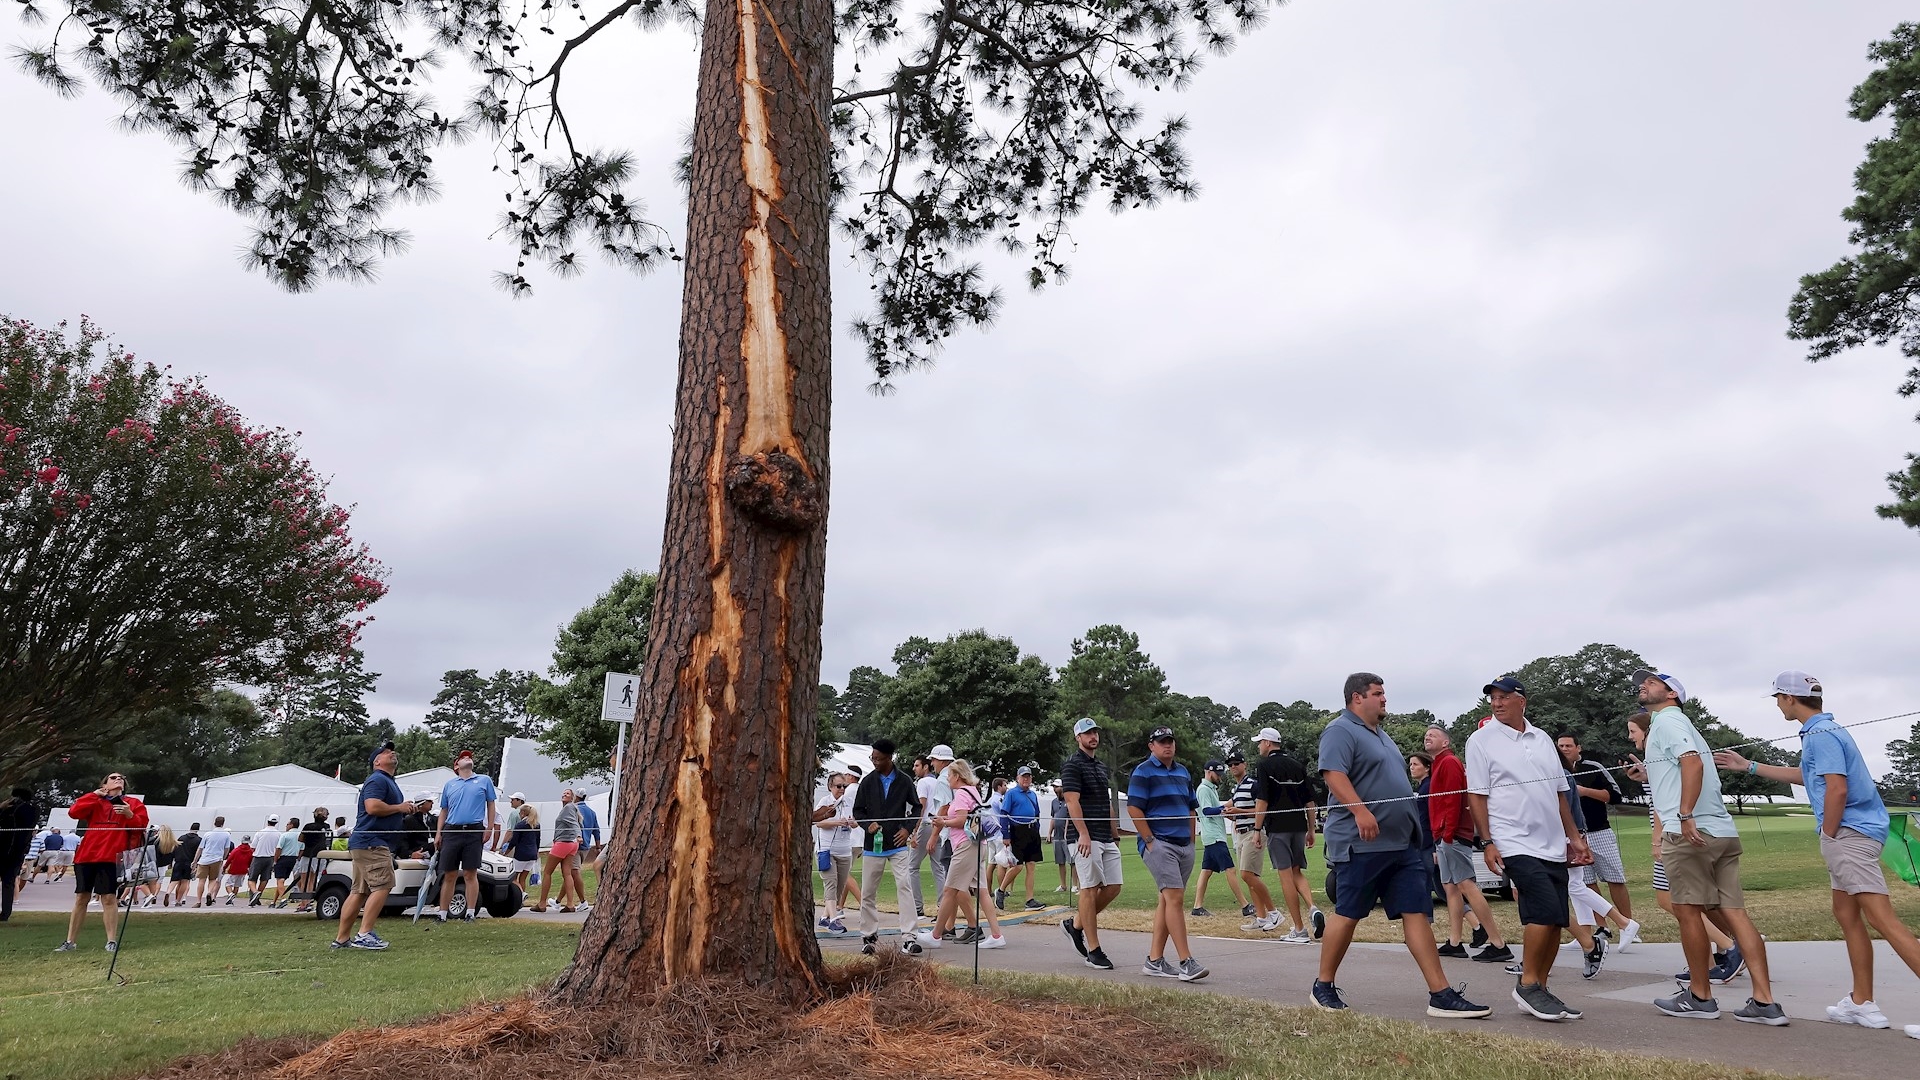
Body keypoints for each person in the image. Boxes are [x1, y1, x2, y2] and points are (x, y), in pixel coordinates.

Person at [1715, 671, 1920, 1037]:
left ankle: (1863, 1001)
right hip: (1855, 832)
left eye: (1779, 698)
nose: (1778, 704)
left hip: (1849, 834)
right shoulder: (1825, 730)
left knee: (1883, 919)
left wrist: (1829, 832)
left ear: (1791, 699)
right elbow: (1810, 777)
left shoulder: (1819, 735)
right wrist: (1749, 766)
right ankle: (1861, 1002)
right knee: (1846, 914)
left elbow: (1836, 790)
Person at [1313, 673, 1489, 1018]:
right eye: (1377, 694)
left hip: (1402, 845)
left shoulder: (1383, 737)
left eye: (1383, 693)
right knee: (1349, 914)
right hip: (1360, 844)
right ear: (1356, 698)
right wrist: (1360, 812)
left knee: (1416, 914)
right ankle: (1323, 985)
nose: (1384, 699)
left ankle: (1441, 993)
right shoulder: (1339, 730)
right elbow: (1333, 773)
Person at [1635, 669, 1785, 1024]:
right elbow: (1681, 766)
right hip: (1722, 831)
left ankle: (1701, 997)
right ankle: (1765, 1003)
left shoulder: (1667, 722)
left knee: (1687, 911)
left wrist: (1685, 814)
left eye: (1653, 682)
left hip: (1690, 833)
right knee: (1735, 913)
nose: (1644, 685)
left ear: (1672, 694)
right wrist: (1649, 775)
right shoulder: (1682, 725)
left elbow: (1691, 762)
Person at [1465, 676, 1593, 1022]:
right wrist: (1488, 841)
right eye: (1493, 697)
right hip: (1512, 840)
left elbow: (1558, 793)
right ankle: (1527, 984)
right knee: (1544, 911)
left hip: (1552, 841)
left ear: (1522, 700)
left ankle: (1541, 987)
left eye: (1504, 697)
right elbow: (1477, 794)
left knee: (1554, 918)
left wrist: (1574, 838)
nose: (1497, 702)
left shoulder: (1542, 739)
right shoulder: (1480, 740)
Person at [1624, 711, 1738, 981]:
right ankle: (1709, 962)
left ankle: (1731, 947)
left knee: (1672, 901)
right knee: (1697, 903)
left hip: (1674, 836)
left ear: (1647, 730)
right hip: (1680, 833)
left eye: (1633, 731)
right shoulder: (1659, 758)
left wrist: (1657, 839)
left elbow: (1668, 801)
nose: (1630, 737)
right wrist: (1645, 776)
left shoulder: (1666, 746)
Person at [1127, 727, 1208, 981]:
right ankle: (1187, 962)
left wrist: (1192, 840)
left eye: (1170, 741)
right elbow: (1134, 809)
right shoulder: (1143, 771)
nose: (1167, 746)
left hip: (1183, 844)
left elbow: (1191, 807)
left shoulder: (1183, 771)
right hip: (1160, 844)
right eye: (1161, 742)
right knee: (1174, 898)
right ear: (1151, 745)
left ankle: (1154, 960)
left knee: (1166, 900)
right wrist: (1149, 841)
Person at [1425, 725, 1507, 963]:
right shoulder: (1438, 764)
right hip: (1443, 834)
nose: (1428, 737)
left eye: (1434, 734)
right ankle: (1454, 942)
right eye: (1426, 735)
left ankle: (1497, 942)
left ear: (1446, 743)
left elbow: (1452, 799)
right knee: (1451, 888)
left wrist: (1448, 832)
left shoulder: (1449, 762)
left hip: (1451, 833)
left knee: (1466, 885)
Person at [333, 740, 423, 950]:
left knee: (359, 892)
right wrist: (399, 807)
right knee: (383, 885)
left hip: (366, 842)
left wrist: (403, 809)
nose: (392, 753)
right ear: (376, 762)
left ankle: (342, 939)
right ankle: (364, 934)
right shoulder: (377, 780)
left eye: (392, 750)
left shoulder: (386, 781)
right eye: (386, 752)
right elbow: (372, 807)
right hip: (372, 843)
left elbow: (384, 808)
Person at [911, 759, 1008, 954]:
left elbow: (962, 820)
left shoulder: (962, 794)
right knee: (981, 891)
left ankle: (936, 935)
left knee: (950, 890)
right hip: (976, 845)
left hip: (965, 845)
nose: (947, 779)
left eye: (949, 776)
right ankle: (997, 935)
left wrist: (943, 822)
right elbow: (965, 817)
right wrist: (946, 820)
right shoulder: (973, 791)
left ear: (957, 776)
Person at [56, 772, 149, 953]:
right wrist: (93, 795)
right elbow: (74, 812)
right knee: (81, 897)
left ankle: (111, 941)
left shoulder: (133, 803)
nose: (118, 779)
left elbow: (141, 826)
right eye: (113, 777)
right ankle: (70, 942)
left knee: (109, 897)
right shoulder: (95, 801)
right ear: (104, 784)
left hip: (112, 857)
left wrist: (129, 814)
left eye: (121, 778)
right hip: (87, 856)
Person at [1059, 718, 1122, 971]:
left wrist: (1114, 832)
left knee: (1114, 887)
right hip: (1084, 837)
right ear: (1078, 738)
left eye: (1094, 732)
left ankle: (1075, 926)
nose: (1093, 736)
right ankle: (1093, 951)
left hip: (1104, 836)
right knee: (1089, 888)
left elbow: (1105, 802)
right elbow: (1072, 802)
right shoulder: (1072, 766)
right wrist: (1083, 834)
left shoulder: (1101, 766)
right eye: (1087, 733)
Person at [1252, 726, 1324, 944]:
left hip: (1278, 827)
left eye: (1259, 742)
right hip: (1298, 826)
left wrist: (1256, 829)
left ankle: (1300, 929)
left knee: (1285, 877)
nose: (1258, 746)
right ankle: (1312, 907)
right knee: (1296, 872)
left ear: (1267, 743)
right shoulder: (1297, 765)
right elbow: (1310, 802)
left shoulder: (1264, 766)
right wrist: (1311, 829)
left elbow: (1262, 800)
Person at [851, 738, 924, 955]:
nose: (874, 762)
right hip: (873, 845)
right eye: (872, 758)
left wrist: (907, 829)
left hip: (898, 843)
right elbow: (858, 811)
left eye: (878, 758)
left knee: (905, 886)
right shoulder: (867, 781)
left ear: (889, 758)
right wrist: (867, 824)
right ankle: (869, 936)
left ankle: (909, 938)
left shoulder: (904, 780)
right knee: (868, 892)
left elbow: (917, 807)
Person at [1558, 733, 1633, 919]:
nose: (1565, 749)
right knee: (1585, 884)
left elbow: (1615, 796)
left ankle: (1628, 923)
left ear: (1578, 748)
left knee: (1615, 879)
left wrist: (1583, 791)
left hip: (1599, 831)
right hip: (1573, 837)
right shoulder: (1555, 771)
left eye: (1568, 745)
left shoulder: (1593, 767)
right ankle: (1602, 928)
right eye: (1561, 746)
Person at [427, 749, 499, 922]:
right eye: (463, 757)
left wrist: (489, 828)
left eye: (469, 757)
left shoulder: (484, 780)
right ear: (456, 765)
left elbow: (491, 804)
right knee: (449, 873)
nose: (467, 758)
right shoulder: (450, 785)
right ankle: (442, 914)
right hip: (452, 831)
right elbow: (444, 810)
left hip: (474, 830)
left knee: (470, 873)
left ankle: (470, 913)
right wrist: (439, 833)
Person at [1225, 752, 1278, 928]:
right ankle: (1261, 917)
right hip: (1240, 832)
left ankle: (1273, 912)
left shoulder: (1253, 785)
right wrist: (1232, 816)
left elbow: (1260, 809)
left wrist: (1238, 813)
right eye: (1230, 764)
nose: (1233, 767)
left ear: (1244, 764)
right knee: (1249, 876)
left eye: (1236, 763)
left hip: (1252, 833)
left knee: (1247, 874)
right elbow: (1242, 812)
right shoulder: (1237, 789)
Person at [1191, 760, 1247, 918]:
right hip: (1214, 836)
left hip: (1213, 835)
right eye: (1218, 773)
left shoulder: (1210, 789)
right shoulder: (1203, 790)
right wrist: (1224, 809)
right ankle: (1245, 905)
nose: (1220, 777)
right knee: (1230, 869)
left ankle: (1197, 907)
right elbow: (1207, 811)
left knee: (1206, 871)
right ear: (1208, 772)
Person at [812, 773, 856, 933]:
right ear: (830, 787)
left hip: (845, 850)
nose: (842, 789)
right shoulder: (825, 802)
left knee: (840, 885)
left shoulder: (849, 802)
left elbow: (856, 822)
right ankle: (833, 919)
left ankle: (824, 918)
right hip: (826, 850)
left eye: (845, 786)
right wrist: (837, 822)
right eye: (839, 786)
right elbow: (818, 822)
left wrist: (852, 823)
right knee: (830, 883)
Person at [530, 788, 585, 913]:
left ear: (572, 798)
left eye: (568, 794)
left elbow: (574, 824)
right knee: (567, 873)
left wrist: (578, 835)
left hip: (563, 843)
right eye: (564, 793)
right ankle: (570, 904)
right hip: (572, 844)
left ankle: (542, 903)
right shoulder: (572, 808)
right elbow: (577, 823)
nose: (565, 794)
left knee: (548, 872)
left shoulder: (569, 808)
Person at [998, 766, 1045, 910]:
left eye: (1028, 777)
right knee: (1017, 866)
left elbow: (1036, 813)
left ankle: (1029, 899)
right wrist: (1006, 835)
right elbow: (1004, 814)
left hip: (1031, 831)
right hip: (1018, 831)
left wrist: (1036, 828)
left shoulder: (1032, 794)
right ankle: (1001, 890)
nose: (1026, 779)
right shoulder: (1011, 794)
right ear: (1018, 778)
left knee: (1031, 865)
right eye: (1023, 776)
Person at [0, 787, 36, 921]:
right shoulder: (33, 811)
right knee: (8, 882)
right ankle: (5, 913)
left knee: (8, 881)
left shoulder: (10, 810)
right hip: (18, 852)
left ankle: (5, 913)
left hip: (6, 849)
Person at [293, 808, 332, 913]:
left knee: (303, 878)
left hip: (308, 853)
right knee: (312, 879)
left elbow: (300, 839)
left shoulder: (308, 826)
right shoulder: (326, 827)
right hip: (319, 854)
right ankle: (308, 901)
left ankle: (304, 902)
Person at [195, 816, 232, 906]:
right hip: (217, 859)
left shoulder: (207, 834)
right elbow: (227, 848)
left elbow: (200, 848)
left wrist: (195, 860)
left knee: (201, 880)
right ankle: (210, 893)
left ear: (214, 823)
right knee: (212, 879)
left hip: (204, 859)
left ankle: (198, 901)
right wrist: (223, 858)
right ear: (223, 824)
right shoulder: (226, 835)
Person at [1048, 779, 1076, 893]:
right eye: (1054, 787)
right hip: (1057, 836)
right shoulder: (1054, 802)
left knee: (1072, 861)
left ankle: (1075, 885)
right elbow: (1053, 818)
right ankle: (1063, 885)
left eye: (1057, 787)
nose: (1055, 790)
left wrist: (1066, 832)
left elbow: (1070, 817)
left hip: (1068, 836)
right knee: (1060, 861)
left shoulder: (1069, 800)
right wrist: (1050, 833)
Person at [245, 817, 282, 906]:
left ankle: (255, 893)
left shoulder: (260, 832)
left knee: (252, 879)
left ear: (267, 821)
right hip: (270, 858)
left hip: (258, 857)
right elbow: (279, 847)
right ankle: (258, 895)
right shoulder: (279, 834)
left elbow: (253, 847)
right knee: (264, 878)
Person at [506, 803, 541, 893]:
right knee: (523, 878)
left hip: (521, 855)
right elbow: (537, 840)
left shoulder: (520, 825)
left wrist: (506, 852)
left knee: (513, 878)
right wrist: (536, 852)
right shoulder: (536, 825)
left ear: (523, 812)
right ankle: (522, 897)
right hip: (532, 855)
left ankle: (520, 895)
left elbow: (514, 841)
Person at [269, 818, 304, 906]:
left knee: (279, 880)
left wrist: (275, 860)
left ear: (291, 825)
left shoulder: (285, 835)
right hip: (294, 858)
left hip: (284, 858)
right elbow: (302, 849)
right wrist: (298, 857)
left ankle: (283, 899)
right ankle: (274, 901)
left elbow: (278, 848)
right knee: (282, 880)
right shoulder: (301, 835)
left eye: (287, 824)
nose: (286, 826)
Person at [167, 823, 201, 907]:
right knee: (184, 882)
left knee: (175, 880)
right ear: (198, 829)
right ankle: (178, 900)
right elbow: (199, 853)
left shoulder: (182, 837)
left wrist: (171, 861)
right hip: (188, 863)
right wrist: (196, 864)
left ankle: (168, 892)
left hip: (178, 861)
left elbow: (174, 849)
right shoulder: (199, 840)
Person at [222, 839, 253, 904]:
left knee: (228, 884)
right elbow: (251, 862)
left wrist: (224, 867)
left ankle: (230, 894)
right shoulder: (250, 851)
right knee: (237, 885)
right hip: (243, 871)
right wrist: (249, 870)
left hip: (234, 869)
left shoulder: (236, 850)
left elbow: (229, 859)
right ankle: (232, 900)